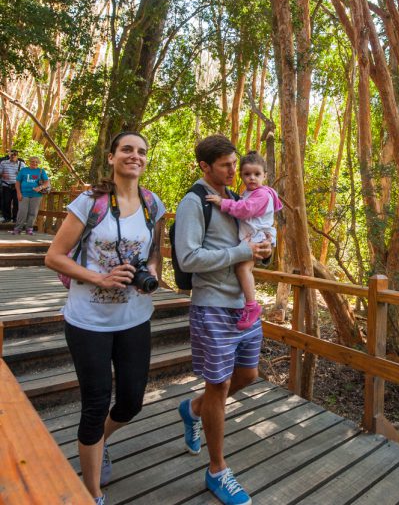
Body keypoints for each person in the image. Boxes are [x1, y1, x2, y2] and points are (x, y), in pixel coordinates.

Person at [45, 131, 165, 505]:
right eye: (127, 149)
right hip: (88, 322)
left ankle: (100, 443)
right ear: (112, 157)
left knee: (131, 401)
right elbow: (54, 256)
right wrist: (100, 277)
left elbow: (155, 253)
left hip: (134, 318)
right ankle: (92, 493)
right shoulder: (90, 202)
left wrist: (154, 276)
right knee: (95, 404)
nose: (135, 156)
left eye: (141, 151)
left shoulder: (152, 204)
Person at [174, 135, 272, 505]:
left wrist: (261, 250)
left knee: (248, 375)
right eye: (226, 166)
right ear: (205, 167)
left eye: (236, 164)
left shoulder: (243, 199)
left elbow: (249, 243)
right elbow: (188, 258)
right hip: (212, 305)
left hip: (244, 306)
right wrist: (241, 251)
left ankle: (193, 408)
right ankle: (217, 471)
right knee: (218, 385)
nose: (235, 171)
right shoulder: (193, 202)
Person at [205, 150, 282, 330]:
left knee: (243, 268)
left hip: (257, 235)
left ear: (265, 175)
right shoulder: (247, 193)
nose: (252, 178)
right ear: (241, 175)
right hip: (254, 234)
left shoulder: (261, 195)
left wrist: (221, 202)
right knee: (243, 268)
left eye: (257, 174)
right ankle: (249, 304)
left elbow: (245, 210)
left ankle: (251, 305)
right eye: (247, 174)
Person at [13, 155, 49, 235]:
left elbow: (47, 182)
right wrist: (18, 193)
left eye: (36, 162)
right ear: (29, 162)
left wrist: (40, 187)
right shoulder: (23, 170)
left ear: (38, 163)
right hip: (24, 194)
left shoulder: (41, 171)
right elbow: (17, 182)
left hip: (36, 195)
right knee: (22, 211)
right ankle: (18, 228)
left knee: (33, 212)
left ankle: (29, 228)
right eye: (32, 161)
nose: (34, 163)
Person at [0, 149, 25, 223]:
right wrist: (2, 175)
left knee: (17, 203)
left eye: (15, 154)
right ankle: (7, 218)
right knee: (6, 202)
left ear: (17, 155)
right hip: (6, 185)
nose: (13, 156)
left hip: (17, 186)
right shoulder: (3, 163)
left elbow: (25, 175)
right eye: (11, 154)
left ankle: (15, 218)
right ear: (9, 155)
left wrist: (20, 174)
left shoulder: (21, 164)